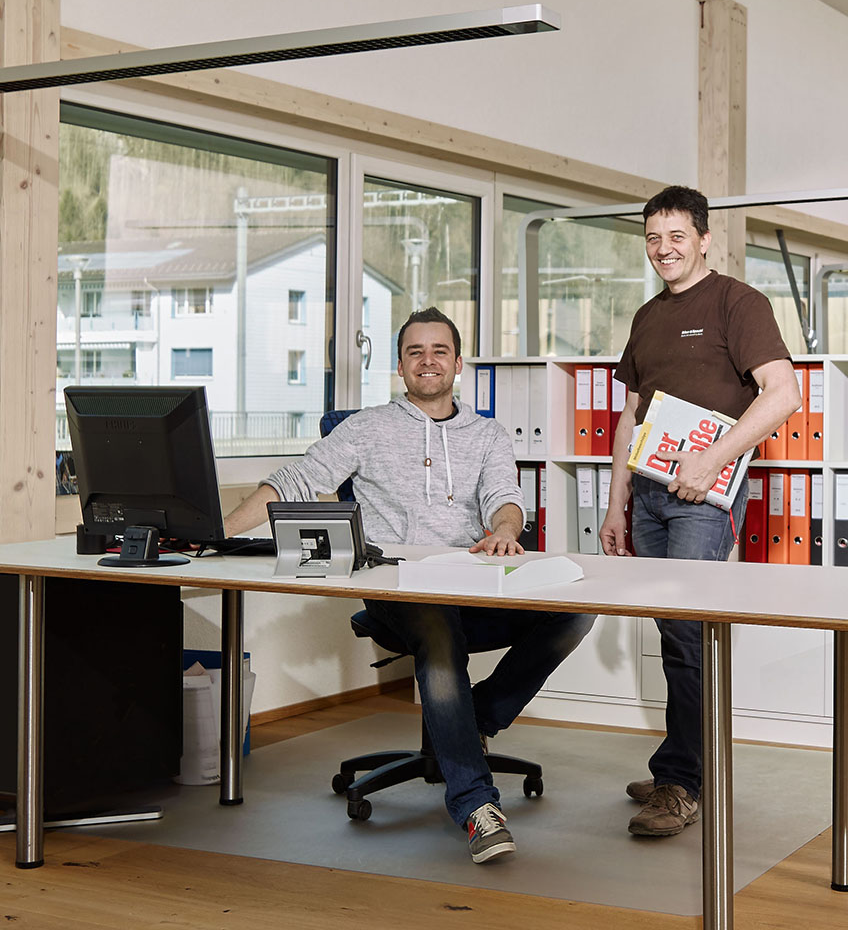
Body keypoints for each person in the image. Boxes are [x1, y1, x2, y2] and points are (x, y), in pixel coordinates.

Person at [225, 306, 595, 863]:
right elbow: (295, 479)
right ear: (400, 367)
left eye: (439, 351)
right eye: (415, 352)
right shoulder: (368, 428)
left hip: (472, 582)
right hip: (398, 589)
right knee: (436, 631)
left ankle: (471, 720)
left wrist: (504, 531)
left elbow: (504, 499)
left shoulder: (488, 434)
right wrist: (215, 534)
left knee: (576, 610)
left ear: (458, 363)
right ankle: (475, 804)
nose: (428, 361)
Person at [598, 186, 800, 838]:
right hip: (650, 496)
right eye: (654, 238)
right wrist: (615, 503)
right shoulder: (648, 315)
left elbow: (783, 393)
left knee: (686, 637)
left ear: (704, 238)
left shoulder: (738, 303)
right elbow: (631, 416)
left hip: (703, 499)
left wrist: (714, 459)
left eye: (677, 236)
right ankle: (680, 765)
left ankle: (682, 784)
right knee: (673, 636)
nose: (664, 249)